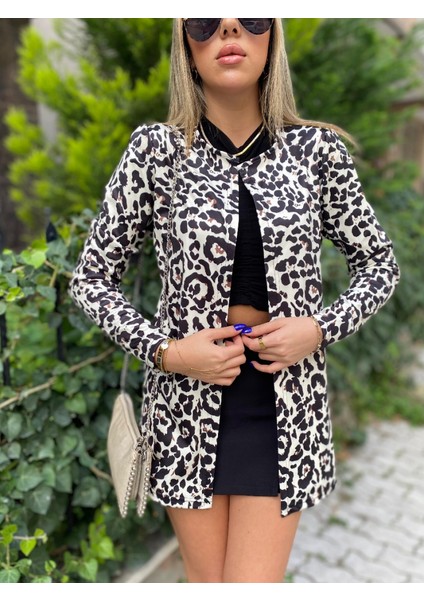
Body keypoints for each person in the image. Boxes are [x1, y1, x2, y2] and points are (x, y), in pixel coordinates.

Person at [69, 18, 400, 583]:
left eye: (251, 18)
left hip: (283, 405)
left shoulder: (316, 152)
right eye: (206, 21)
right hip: (185, 407)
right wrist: (169, 353)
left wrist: (318, 329)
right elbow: (92, 278)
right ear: (186, 44)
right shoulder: (156, 152)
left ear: (272, 37)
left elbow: (379, 264)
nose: (229, 29)